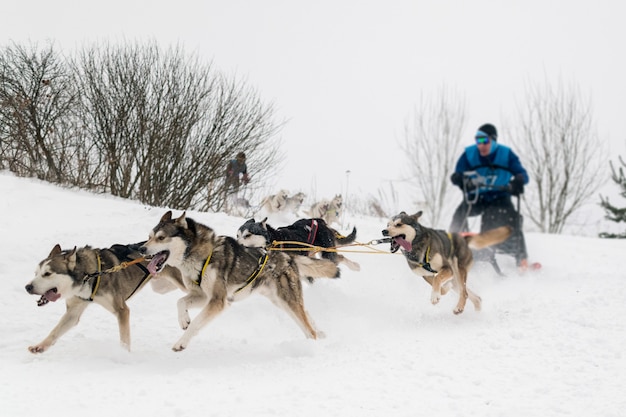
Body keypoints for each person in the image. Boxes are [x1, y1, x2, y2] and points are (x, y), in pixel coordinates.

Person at [449, 123, 530, 269]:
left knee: (504, 217)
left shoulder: (506, 154)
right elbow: (458, 173)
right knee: (460, 213)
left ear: (493, 141)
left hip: (500, 196)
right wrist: (459, 179)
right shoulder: (469, 154)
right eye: (478, 141)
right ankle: (451, 249)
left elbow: (522, 174)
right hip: (477, 196)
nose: (481, 145)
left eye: (484, 141)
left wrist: (518, 181)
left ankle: (521, 259)